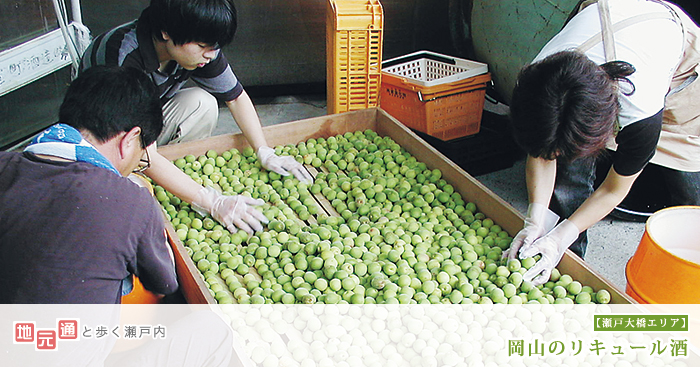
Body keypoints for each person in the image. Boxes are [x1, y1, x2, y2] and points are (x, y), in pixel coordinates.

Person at [506, 0, 700, 285]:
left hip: (676, 54)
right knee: (567, 171)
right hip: (603, 13)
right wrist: (536, 218)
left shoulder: (640, 110)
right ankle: (565, 261)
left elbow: (614, 188)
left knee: (690, 190)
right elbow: (542, 149)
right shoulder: (540, 80)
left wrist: (562, 235)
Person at [80, 0, 312, 236]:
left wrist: (264, 151)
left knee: (202, 104)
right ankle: (159, 177)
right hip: (102, 135)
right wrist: (211, 202)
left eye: (214, 46)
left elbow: (236, 97)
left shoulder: (195, 45)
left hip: (144, 118)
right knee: (126, 192)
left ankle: (171, 175)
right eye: (203, 46)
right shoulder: (122, 57)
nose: (211, 55)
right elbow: (137, 146)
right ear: (166, 33)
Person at [0, 66, 178, 303]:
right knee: (210, 327)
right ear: (130, 139)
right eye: (142, 154)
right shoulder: (132, 200)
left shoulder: (5, 164)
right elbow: (165, 283)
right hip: (68, 336)